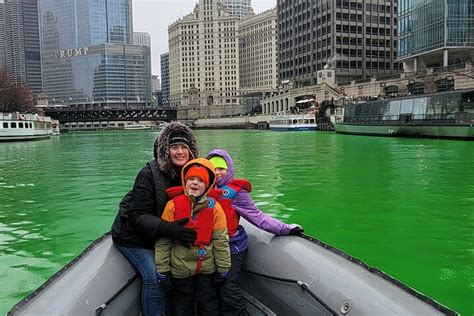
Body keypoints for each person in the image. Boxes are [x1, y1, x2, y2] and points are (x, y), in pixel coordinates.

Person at [111, 122, 199, 316]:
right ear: (165, 151)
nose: (179, 152)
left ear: (191, 151)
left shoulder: (192, 175)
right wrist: (169, 229)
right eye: (174, 147)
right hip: (134, 238)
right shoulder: (148, 174)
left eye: (184, 147)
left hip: (165, 235)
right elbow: (137, 216)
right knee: (154, 276)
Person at [206, 149, 304, 316]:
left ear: (229, 169)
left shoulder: (236, 192)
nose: (217, 172)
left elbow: (258, 217)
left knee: (228, 288)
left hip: (233, 247)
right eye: (213, 168)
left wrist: (285, 228)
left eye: (221, 168)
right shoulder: (203, 189)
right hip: (211, 248)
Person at [155, 158, 231, 316]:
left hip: (206, 268)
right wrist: (163, 269)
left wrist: (223, 268)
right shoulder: (172, 206)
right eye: (191, 179)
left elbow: (221, 241)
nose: (195, 183)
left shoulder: (215, 208)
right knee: (182, 307)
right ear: (184, 181)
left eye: (200, 180)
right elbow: (163, 242)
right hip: (180, 269)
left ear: (208, 185)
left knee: (208, 305)